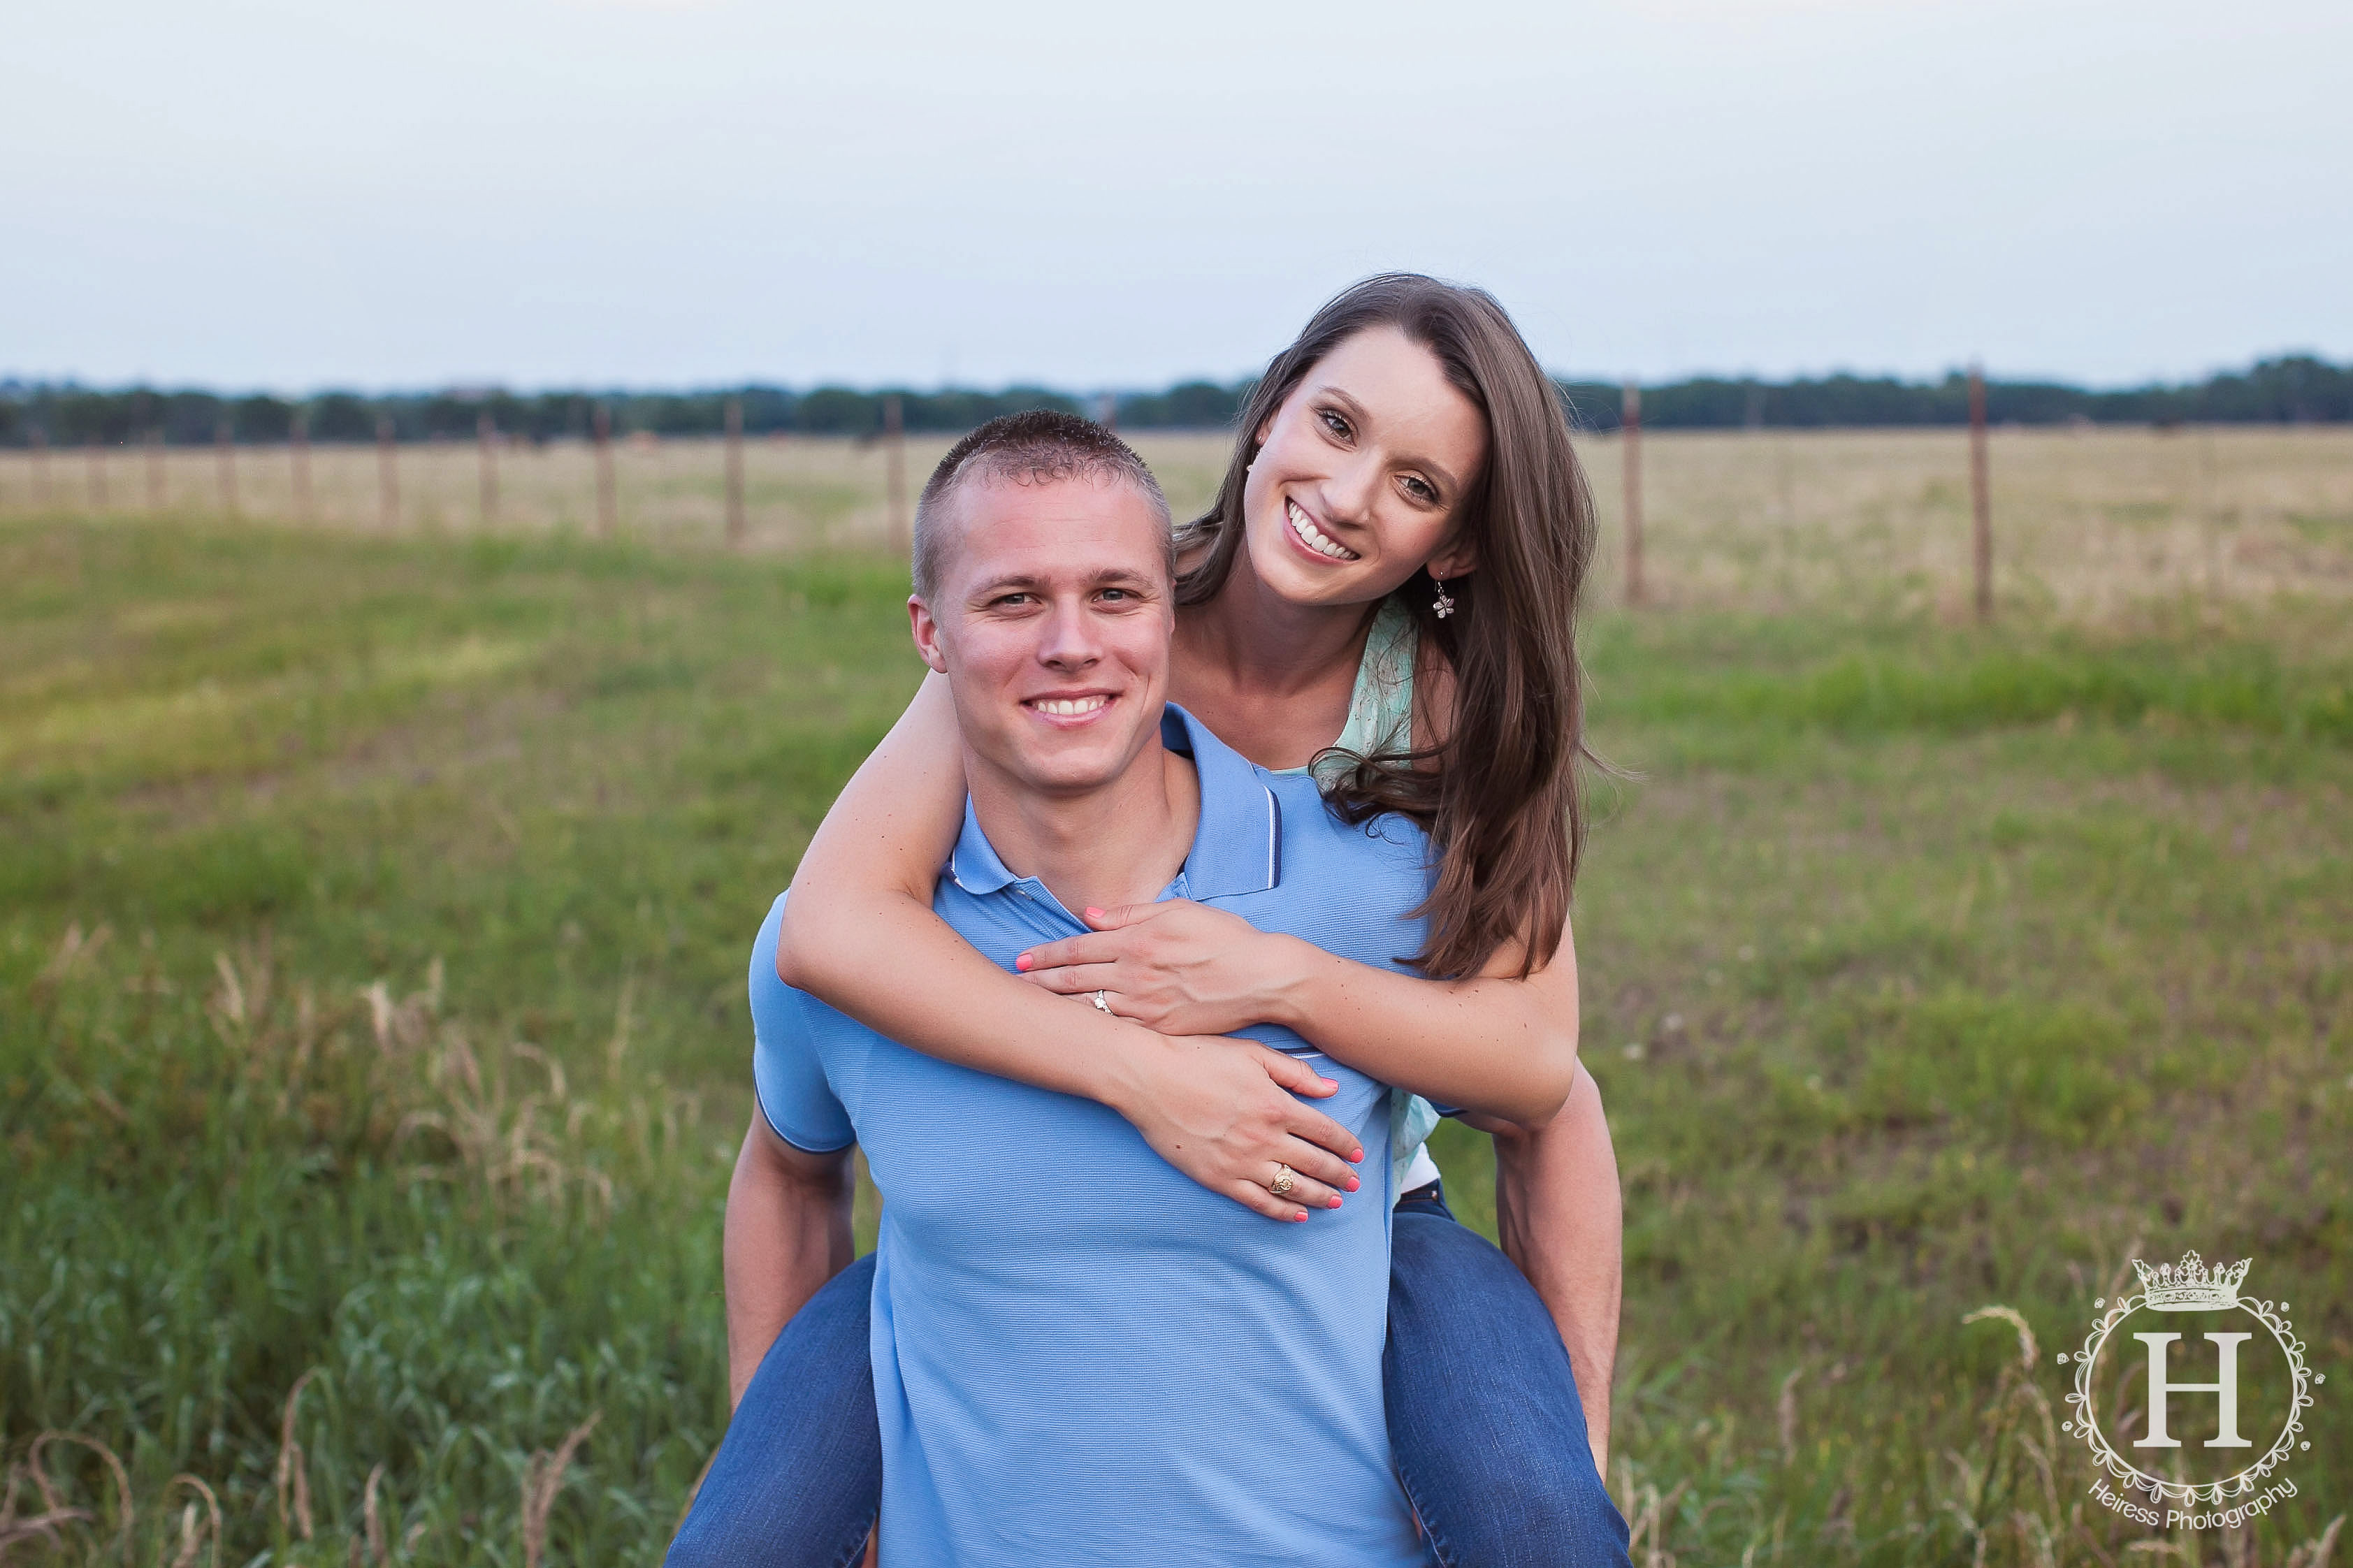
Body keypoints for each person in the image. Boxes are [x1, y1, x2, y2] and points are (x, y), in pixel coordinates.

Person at [685, 275, 1630, 1566]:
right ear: (1269, 412)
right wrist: (1142, 1074)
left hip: (1355, 1178)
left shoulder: (1453, 716)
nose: (1350, 494)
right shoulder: (1104, 609)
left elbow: (1535, 1069)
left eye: (1418, 486)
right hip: (1003, 1185)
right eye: (1338, 426)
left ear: (1453, 546)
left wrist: (1278, 976)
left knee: (1540, 1517)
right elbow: (834, 928)